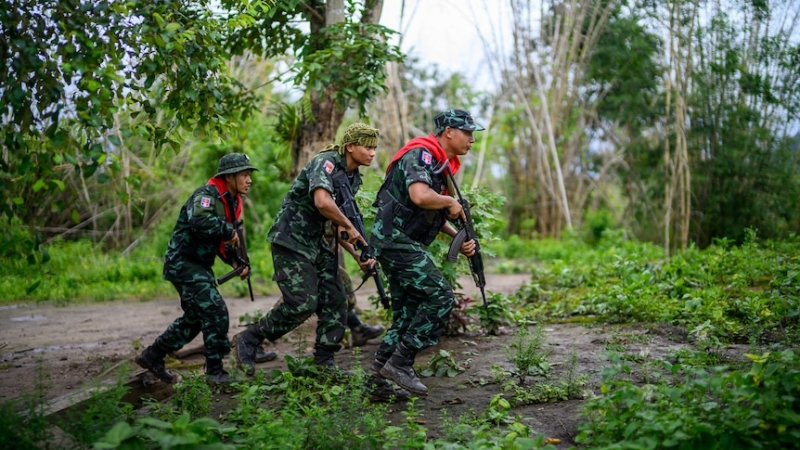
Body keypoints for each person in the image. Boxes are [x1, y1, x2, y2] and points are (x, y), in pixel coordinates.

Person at [232, 123, 388, 379]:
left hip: (319, 243)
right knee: (302, 303)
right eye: (367, 147)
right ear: (350, 146)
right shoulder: (325, 163)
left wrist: (358, 254)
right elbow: (322, 202)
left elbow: (337, 225)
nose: (372, 153)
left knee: (337, 299)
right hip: (292, 240)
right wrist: (350, 225)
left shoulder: (353, 177)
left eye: (374, 148)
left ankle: (324, 361)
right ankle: (249, 339)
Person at [367, 109, 483, 396]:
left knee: (407, 311)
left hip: (400, 241)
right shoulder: (421, 155)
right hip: (395, 240)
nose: (471, 139)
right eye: (467, 133)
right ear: (449, 133)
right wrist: (449, 201)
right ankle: (400, 363)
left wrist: (460, 238)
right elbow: (420, 195)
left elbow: (428, 213)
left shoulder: (442, 165)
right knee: (440, 295)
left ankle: (377, 380)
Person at [135, 153, 258, 385]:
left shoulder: (230, 201)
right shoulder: (206, 195)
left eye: (249, 175)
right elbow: (200, 222)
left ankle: (152, 356)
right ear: (229, 177)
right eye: (244, 175)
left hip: (198, 265)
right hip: (183, 263)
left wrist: (236, 262)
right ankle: (215, 372)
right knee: (214, 310)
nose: (249, 179)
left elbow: (221, 242)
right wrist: (228, 231)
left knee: (195, 318)